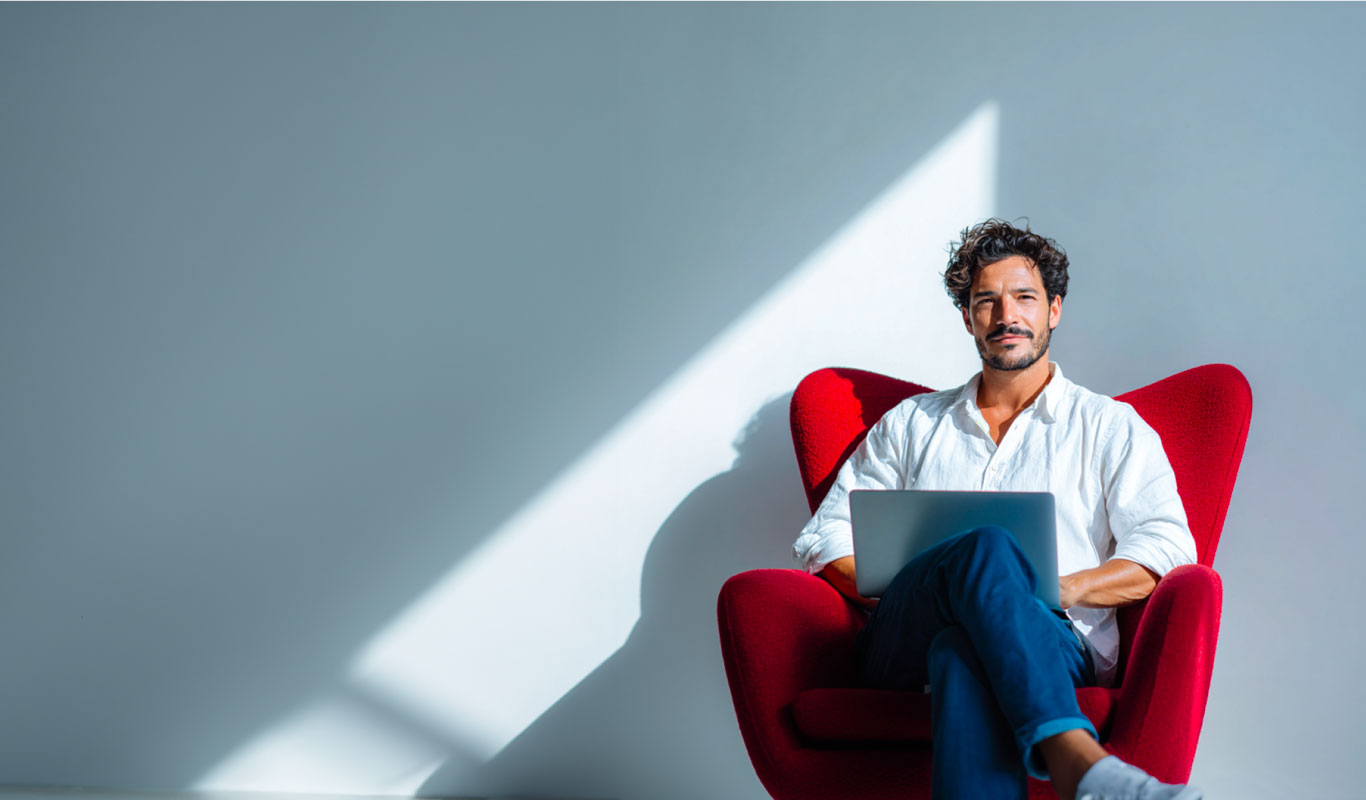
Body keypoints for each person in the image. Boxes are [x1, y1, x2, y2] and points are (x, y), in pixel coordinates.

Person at [791, 219, 1204, 800]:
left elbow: (1164, 548)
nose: (1006, 315)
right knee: (984, 549)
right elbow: (825, 537)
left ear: (1054, 310)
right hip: (905, 636)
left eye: (1025, 298)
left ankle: (1076, 758)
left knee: (962, 652)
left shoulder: (1109, 427)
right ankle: (1080, 763)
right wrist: (931, 585)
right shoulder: (913, 424)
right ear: (968, 318)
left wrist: (1058, 588)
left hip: (1052, 639)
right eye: (987, 301)